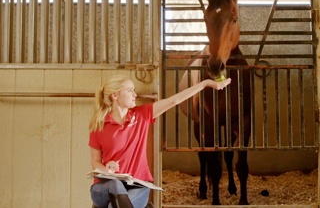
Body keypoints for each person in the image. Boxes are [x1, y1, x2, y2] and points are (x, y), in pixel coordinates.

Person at [88, 74, 231, 208]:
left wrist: (206, 83)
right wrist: (108, 170)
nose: (135, 95)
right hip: (104, 188)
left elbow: (174, 100)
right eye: (130, 90)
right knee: (115, 185)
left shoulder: (141, 115)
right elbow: (95, 162)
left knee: (115, 205)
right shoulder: (99, 126)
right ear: (115, 95)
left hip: (137, 185)